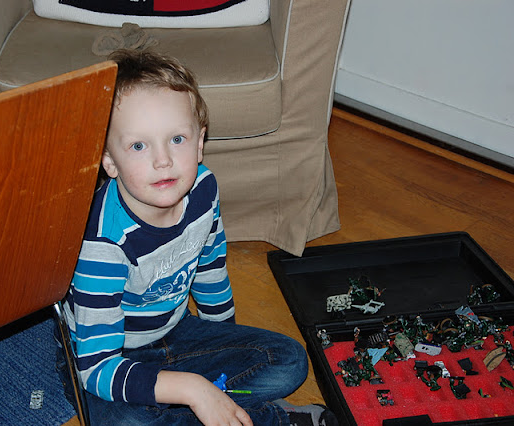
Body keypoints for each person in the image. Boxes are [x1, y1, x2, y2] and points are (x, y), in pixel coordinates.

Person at [59, 49, 337, 426]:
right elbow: (97, 368)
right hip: (110, 357)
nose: (163, 160)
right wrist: (192, 388)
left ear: (200, 141)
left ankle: (205, 406)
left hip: (177, 331)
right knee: (124, 423)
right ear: (108, 160)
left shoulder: (204, 189)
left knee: (289, 362)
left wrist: (226, 344)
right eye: (139, 146)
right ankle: (267, 418)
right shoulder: (102, 244)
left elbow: (211, 268)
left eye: (177, 138)